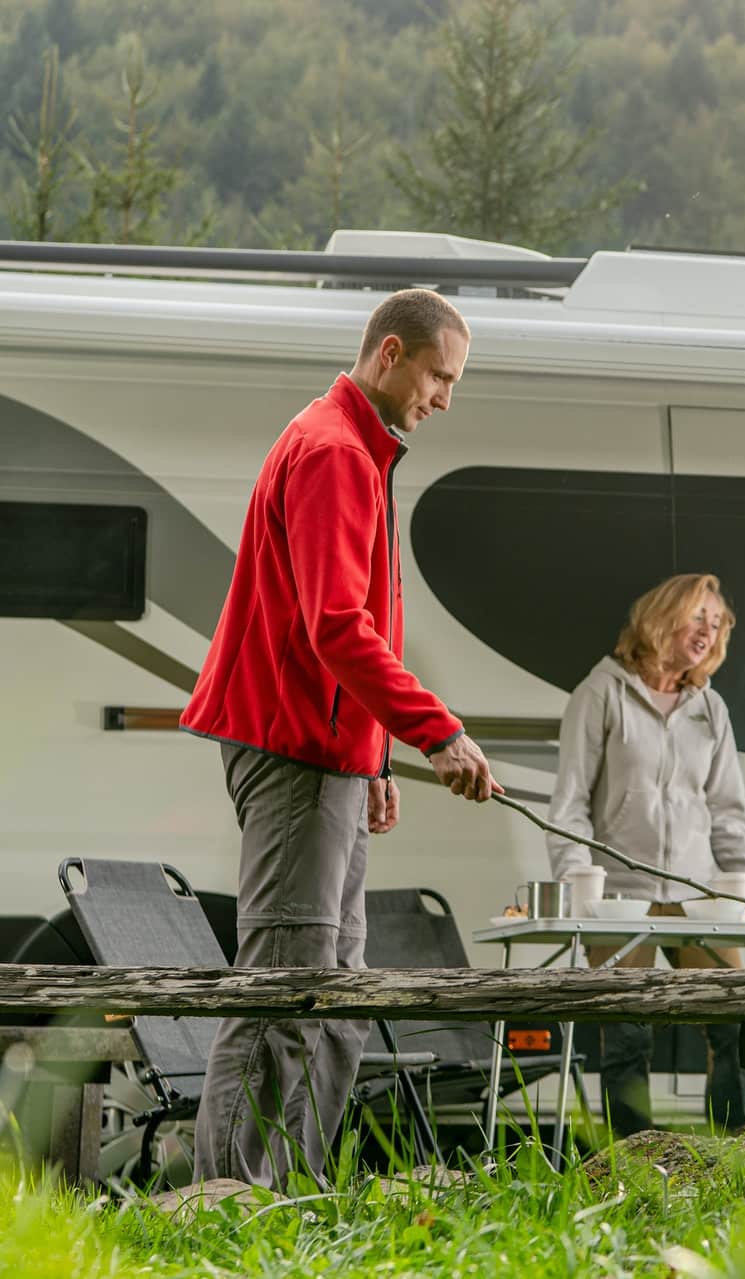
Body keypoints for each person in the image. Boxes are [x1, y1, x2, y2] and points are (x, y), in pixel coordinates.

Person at [179, 288, 501, 1187]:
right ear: (391, 353)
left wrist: (373, 754)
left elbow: (335, 632)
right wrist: (436, 732)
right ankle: (229, 1201)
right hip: (289, 753)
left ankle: (298, 1196)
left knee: (339, 997)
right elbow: (334, 625)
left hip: (326, 755)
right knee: (285, 989)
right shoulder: (332, 453)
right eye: (442, 376)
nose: (446, 397)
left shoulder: (352, 446)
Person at [547, 573, 745, 1135]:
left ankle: (731, 1150)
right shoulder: (602, 693)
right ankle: (630, 1164)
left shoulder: (710, 710)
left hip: (699, 896)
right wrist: (576, 888)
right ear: (663, 617)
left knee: (732, 1023)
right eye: (698, 617)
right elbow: (568, 806)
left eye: (717, 623)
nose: (709, 631)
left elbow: (729, 816)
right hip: (619, 899)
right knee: (629, 1035)